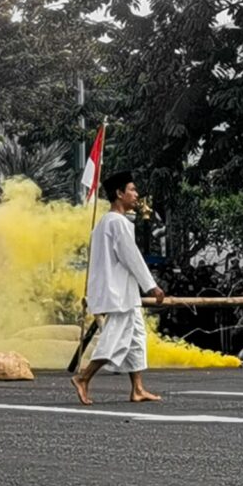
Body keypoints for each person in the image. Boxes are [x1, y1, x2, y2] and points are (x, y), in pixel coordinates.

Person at [72, 171, 166, 405]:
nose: (136, 194)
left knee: (136, 339)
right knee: (116, 338)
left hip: (124, 291)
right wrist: (152, 286)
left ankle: (138, 388)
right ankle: (83, 378)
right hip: (119, 292)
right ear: (119, 193)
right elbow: (131, 257)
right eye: (132, 190)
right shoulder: (118, 223)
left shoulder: (105, 223)